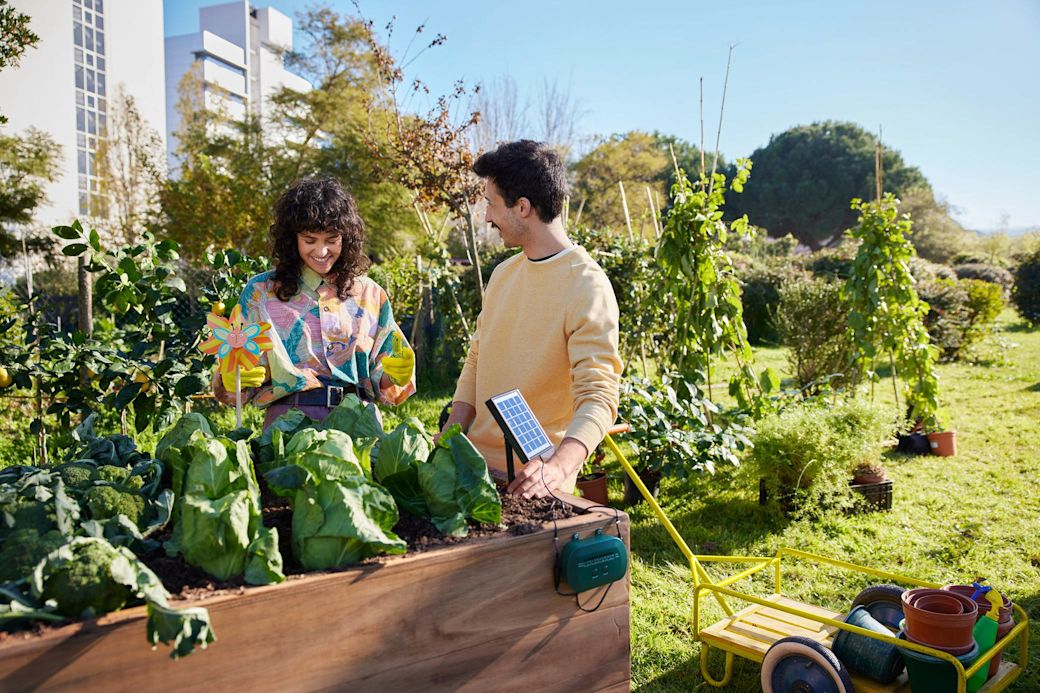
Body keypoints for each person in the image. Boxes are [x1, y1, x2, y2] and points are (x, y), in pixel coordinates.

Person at [440, 140, 621, 498]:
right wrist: (448, 436)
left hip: (532, 485)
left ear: (522, 207)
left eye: (490, 204)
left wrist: (557, 469)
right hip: (471, 469)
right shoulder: (504, 274)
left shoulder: (587, 286)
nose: (487, 216)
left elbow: (599, 396)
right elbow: (478, 358)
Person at [213, 177, 415, 428]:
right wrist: (232, 377)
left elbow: (385, 379)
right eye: (310, 240)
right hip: (288, 425)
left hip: (358, 426)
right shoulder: (260, 294)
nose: (321, 252)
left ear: (347, 237)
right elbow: (236, 379)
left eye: (331, 240)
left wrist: (396, 373)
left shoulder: (370, 295)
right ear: (292, 238)